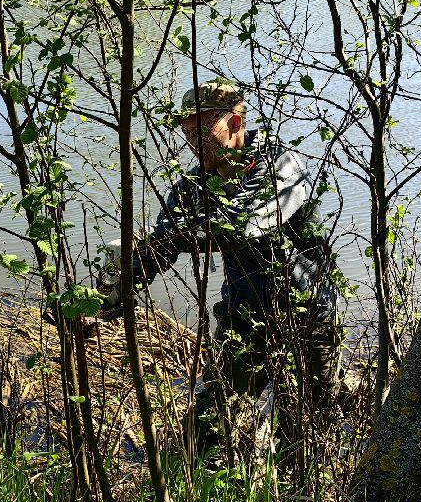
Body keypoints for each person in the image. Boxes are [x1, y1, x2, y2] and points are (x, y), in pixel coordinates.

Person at [102, 79, 339, 454]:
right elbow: (160, 249)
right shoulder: (193, 185)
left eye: (201, 127)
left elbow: (248, 225)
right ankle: (199, 493)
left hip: (306, 315)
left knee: (310, 425)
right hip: (243, 314)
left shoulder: (282, 163)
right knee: (208, 424)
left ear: (235, 123)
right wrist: (106, 298)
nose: (192, 138)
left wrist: (180, 232)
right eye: (186, 130)